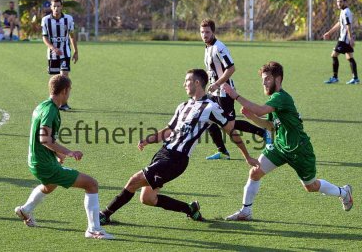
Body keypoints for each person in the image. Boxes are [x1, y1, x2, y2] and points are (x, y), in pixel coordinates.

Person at [98, 69, 258, 225]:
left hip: (176, 160)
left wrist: (247, 156)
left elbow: (231, 131)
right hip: (162, 154)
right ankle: (190, 209)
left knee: (133, 181)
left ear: (197, 82)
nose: (184, 84)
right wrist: (148, 140)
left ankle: (105, 215)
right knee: (147, 199)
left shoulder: (211, 107)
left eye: (187, 80)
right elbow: (169, 131)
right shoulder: (183, 105)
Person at [223, 61, 353, 221]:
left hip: (300, 150)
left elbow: (260, 109)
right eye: (263, 79)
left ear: (278, 79)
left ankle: (344, 192)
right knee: (255, 172)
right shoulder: (274, 99)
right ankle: (246, 211)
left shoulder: (281, 97)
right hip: (280, 147)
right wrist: (253, 118)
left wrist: (234, 95)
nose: (264, 82)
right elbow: (270, 126)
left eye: (267, 79)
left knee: (311, 187)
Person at [14, 74, 113, 239]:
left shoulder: (42, 106)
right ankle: (94, 229)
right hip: (44, 164)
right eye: (69, 90)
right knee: (91, 184)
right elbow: (44, 139)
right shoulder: (50, 110)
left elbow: (46, 139)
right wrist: (69, 152)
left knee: (50, 186)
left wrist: (58, 153)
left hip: (36, 161)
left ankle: (25, 210)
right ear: (65, 91)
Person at [200, 19, 271, 160]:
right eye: (202, 32)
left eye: (207, 32)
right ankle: (222, 151)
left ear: (213, 32)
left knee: (228, 125)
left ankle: (262, 133)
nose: (204, 35)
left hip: (225, 92)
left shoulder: (219, 47)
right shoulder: (207, 47)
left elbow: (231, 68)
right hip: (214, 92)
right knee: (207, 118)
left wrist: (217, 84)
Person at [41, 0, 78, 111]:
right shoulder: (45, 20)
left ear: (62, 7)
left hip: (65, 52)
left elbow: (72, 36)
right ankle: (54, 102)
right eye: (54, 6)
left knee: (64, 77)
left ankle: (64, 103)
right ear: (51, 7)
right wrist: (53, 48)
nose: (56, 8)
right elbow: (45, 37)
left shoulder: (68, 19)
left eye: (58, 6)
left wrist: (76, 51)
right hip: (52, 54)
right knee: (55, 80)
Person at [323, 0, 359, 84]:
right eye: (338, 2)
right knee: (349, 57)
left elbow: (348, 25)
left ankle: (335, 78)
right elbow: (339, 23)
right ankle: (355, 78)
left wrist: (350, 39)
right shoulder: (343, 11)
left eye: (341, 2)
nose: (339, 3)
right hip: (345, 38)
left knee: (334, 55)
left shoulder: (346, 12)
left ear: (345, 2)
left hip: (344, 39)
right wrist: (329, 32)